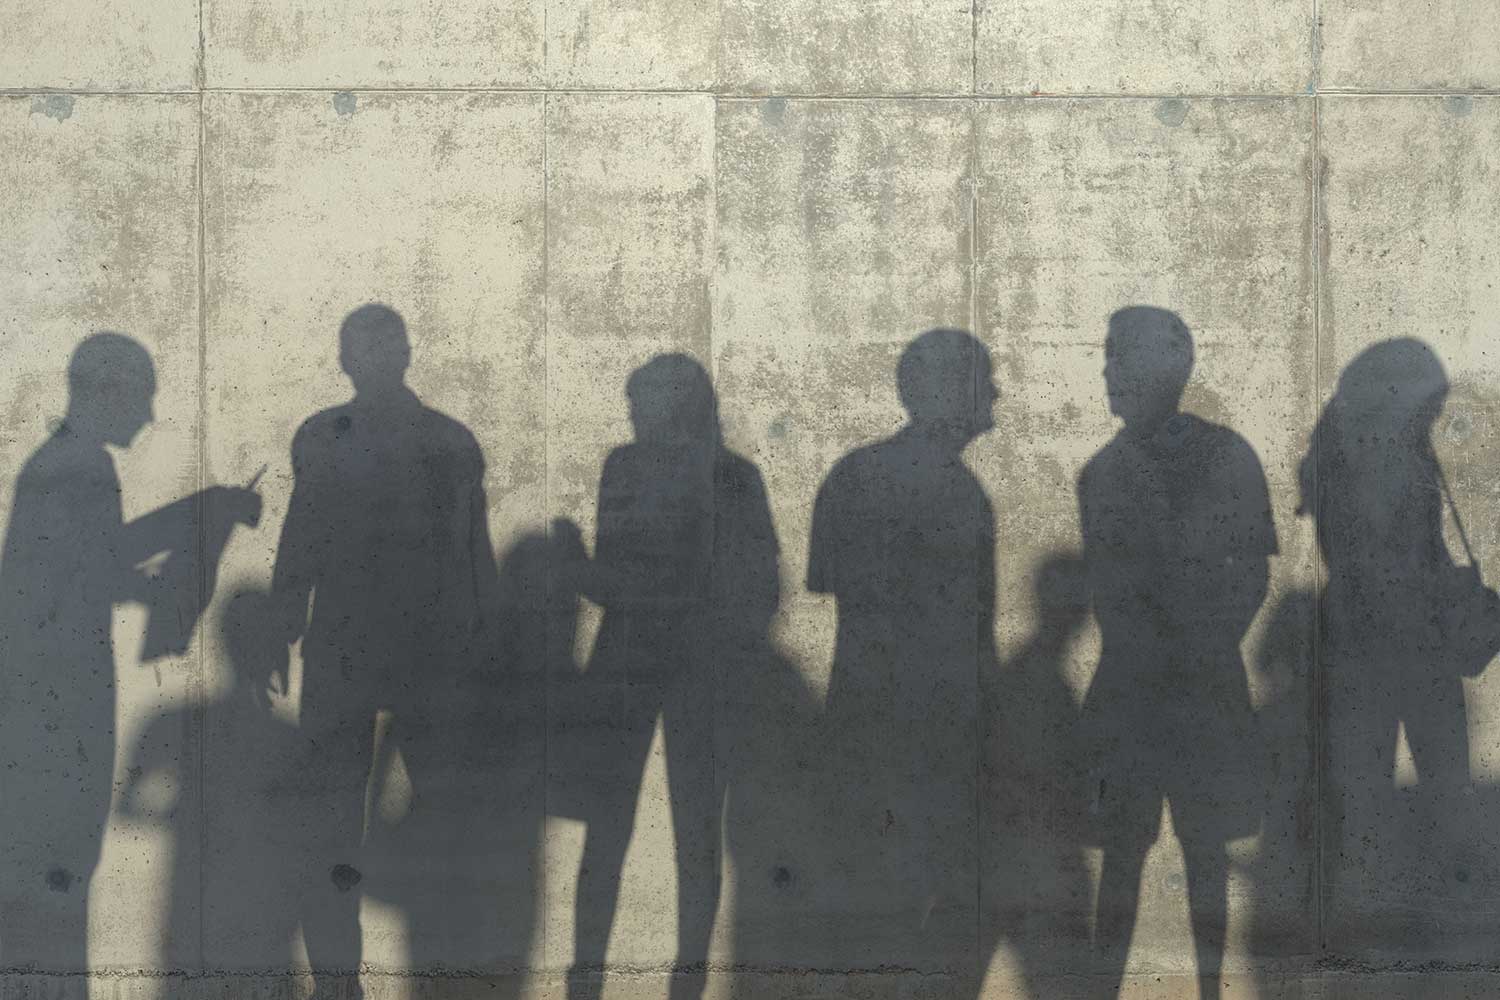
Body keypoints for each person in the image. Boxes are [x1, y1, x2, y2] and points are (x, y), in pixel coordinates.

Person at [0, 333, 259, 970]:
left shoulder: (60, 461)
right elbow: (102, 564)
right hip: (59, 698)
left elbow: (89, 564)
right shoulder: (80, 465)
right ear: (108, 392)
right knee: (60, 864)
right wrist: (206, 517)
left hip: (43, 692)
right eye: (141, 398)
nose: (146, 417)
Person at [270, 304, 499, 999]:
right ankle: (367, 980)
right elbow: (475, 557)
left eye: (377, 347)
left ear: (401, 355)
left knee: (355, 820)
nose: (370, 360)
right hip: (399, 655)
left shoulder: (340, 436)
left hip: (374, 654)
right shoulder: (445, 440)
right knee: (381, 820)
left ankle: (355, 982)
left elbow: (473, 554)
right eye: (363, 348)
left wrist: (282, 624)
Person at [552, 353, 777, 1000]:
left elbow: (622, 583)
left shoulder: (638, 468)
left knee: (621, 825)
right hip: (690, 664)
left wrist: (576, 564)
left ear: (671, 403)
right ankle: (678, 982)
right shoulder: (732, 476)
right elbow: (758, 590)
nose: (632, 416)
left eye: (639, 403)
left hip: (638, 660)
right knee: (690, 829)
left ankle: (588, 980)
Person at [1076, 307, 1274, 1000]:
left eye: (1117, 356)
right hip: (1144, 690)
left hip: (1189, 687)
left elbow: (1252, 571)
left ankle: (1213, 991)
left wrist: (1201, 645)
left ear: (1168, 366)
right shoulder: (1102, 471)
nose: (1106, 371)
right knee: (1126, 854)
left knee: (1205, 851)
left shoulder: (1223, 457)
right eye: (1107, 356)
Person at [806, 328, 998, 968]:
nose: (996, 393)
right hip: (937, 722)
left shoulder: (850, 474)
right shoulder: (961, 493)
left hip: (860, 706)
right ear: (950, 393)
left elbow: (830, 585)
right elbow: (969, 625)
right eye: (983, 380)